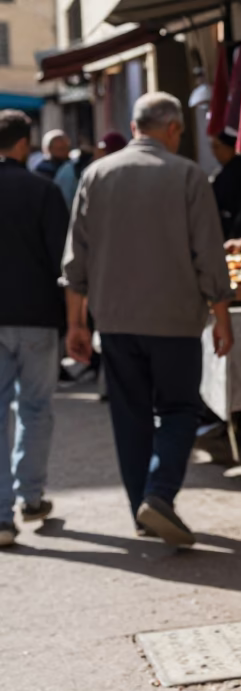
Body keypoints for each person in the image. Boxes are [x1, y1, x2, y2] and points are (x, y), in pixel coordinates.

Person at [63, 92, 235, 548]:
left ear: (136, 126)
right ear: (174, 129)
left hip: (115, 321)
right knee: (180, 409)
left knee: (130, 417)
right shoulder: (187, 175)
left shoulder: (96, 174)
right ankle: (158, 495)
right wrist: (222, 317)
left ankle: (141, 508)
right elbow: (209, 256)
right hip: (175, 319)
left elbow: (75, 259)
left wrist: (76, 324)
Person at [0, 111, 69, 547]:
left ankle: (1, 515)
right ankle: (30, 496)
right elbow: (64, 259)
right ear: (25, 143)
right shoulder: (43, 191)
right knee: (36, 408)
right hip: (37, 317)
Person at [54, 132, 127, 209]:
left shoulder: (122, 174)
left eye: (105, 151)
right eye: (100, 149)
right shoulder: (71, 171)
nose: (99, 151)